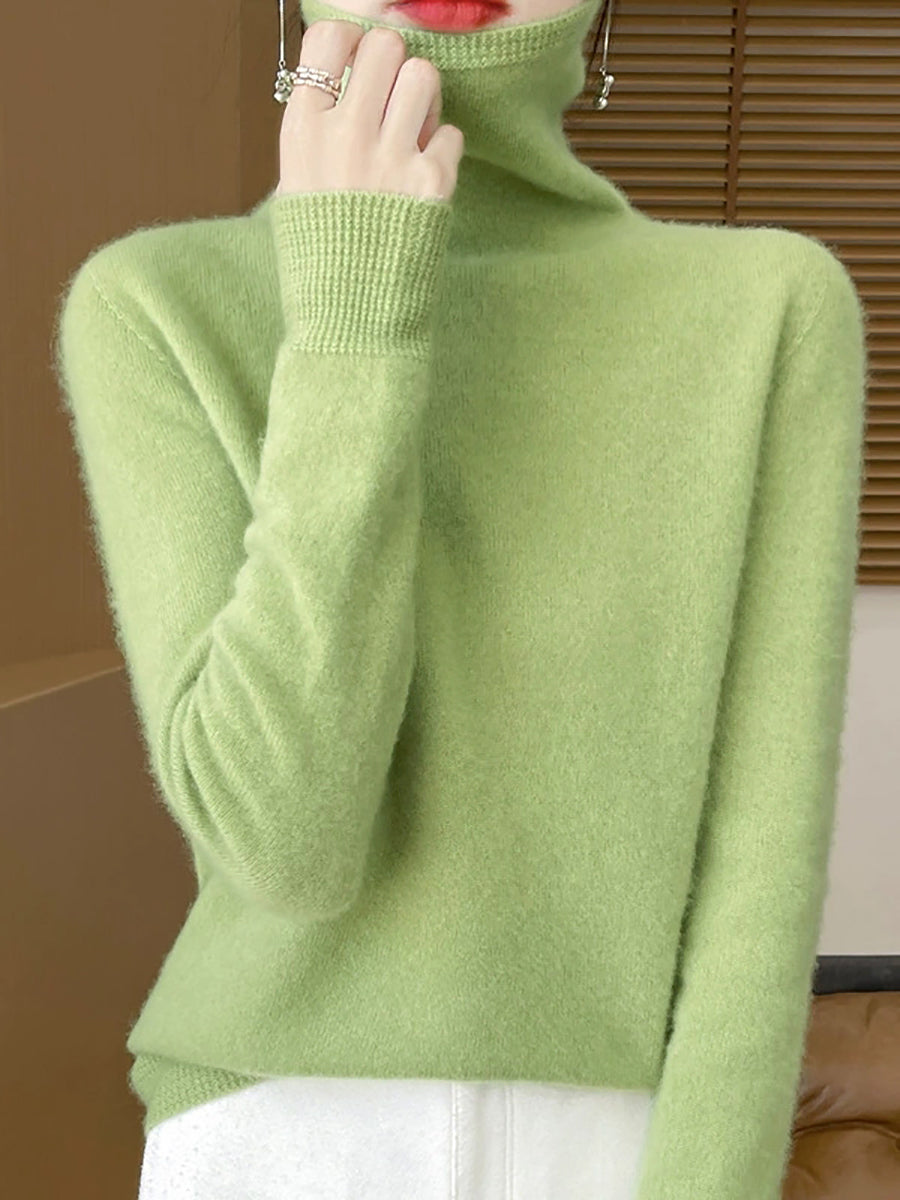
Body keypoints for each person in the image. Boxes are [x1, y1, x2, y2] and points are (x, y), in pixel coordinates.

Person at [51, 0, 867, 1195]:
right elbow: (285, 850)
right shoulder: (154, 303)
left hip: (623, 1144)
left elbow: (763, 863)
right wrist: (352, 319)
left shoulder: (770, 309)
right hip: (273, 1137)